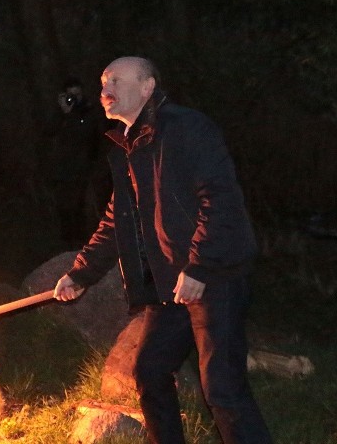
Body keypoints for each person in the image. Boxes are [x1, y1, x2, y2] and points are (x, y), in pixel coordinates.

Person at [54, 57, 272, 444]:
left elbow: (219, 200)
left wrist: (200, 267)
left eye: (116, 81)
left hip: (214, 277)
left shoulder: (187, 129)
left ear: (147, 87)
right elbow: (117, 220)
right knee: (150, 371)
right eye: (103, 82)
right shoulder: (126, 146)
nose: (105, 90)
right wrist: (80, 273)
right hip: (170, 285)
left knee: (223, 390)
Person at [46, 76, 102, 247]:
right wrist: (63, 113)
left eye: (77, 95)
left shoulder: (89, 112)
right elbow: (48, 134)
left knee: (81, 210)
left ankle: (83, 246)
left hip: (82, 172)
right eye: (70, 96)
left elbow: (87, 136)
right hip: (61, 173)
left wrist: (72, 116)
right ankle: (67, 247)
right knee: (63, 211)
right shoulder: (59, 113)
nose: (74, 100)